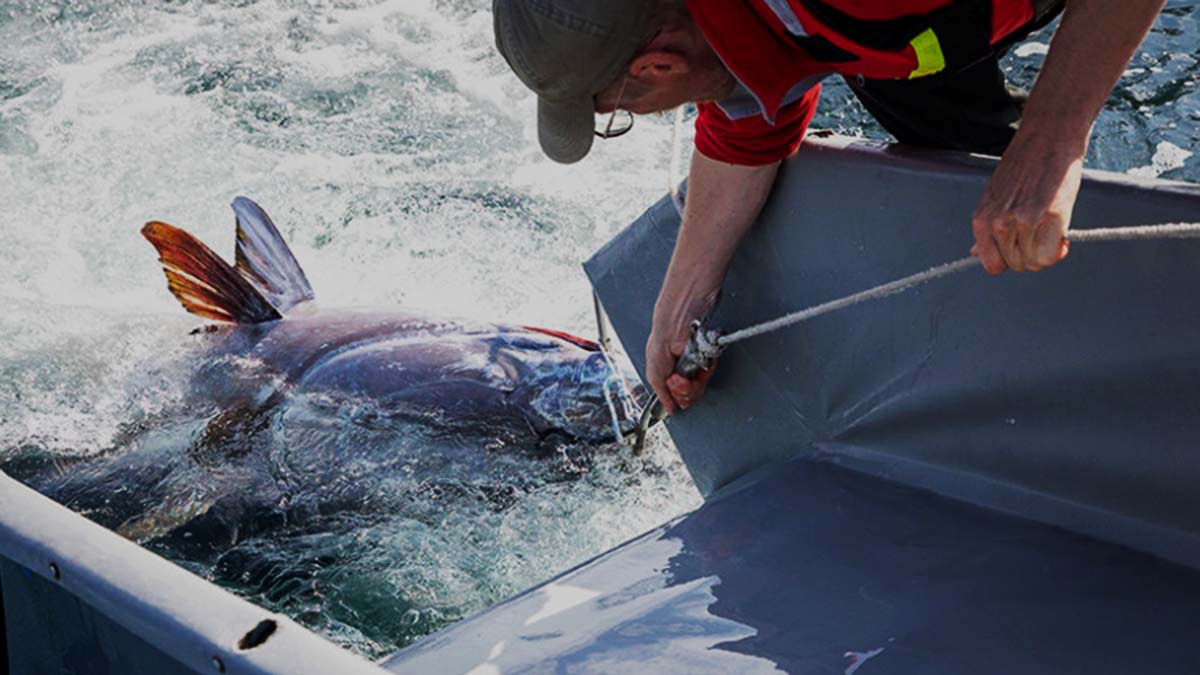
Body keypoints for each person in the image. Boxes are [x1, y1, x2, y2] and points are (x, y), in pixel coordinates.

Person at [493, 0, 1167, 414]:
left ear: (660, 68)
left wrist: (1051, 146)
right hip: (903, 26)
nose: (635, 114)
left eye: (619, 113)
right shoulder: (743, 20)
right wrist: (683, 300)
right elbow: (747, 113)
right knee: (947, 143)